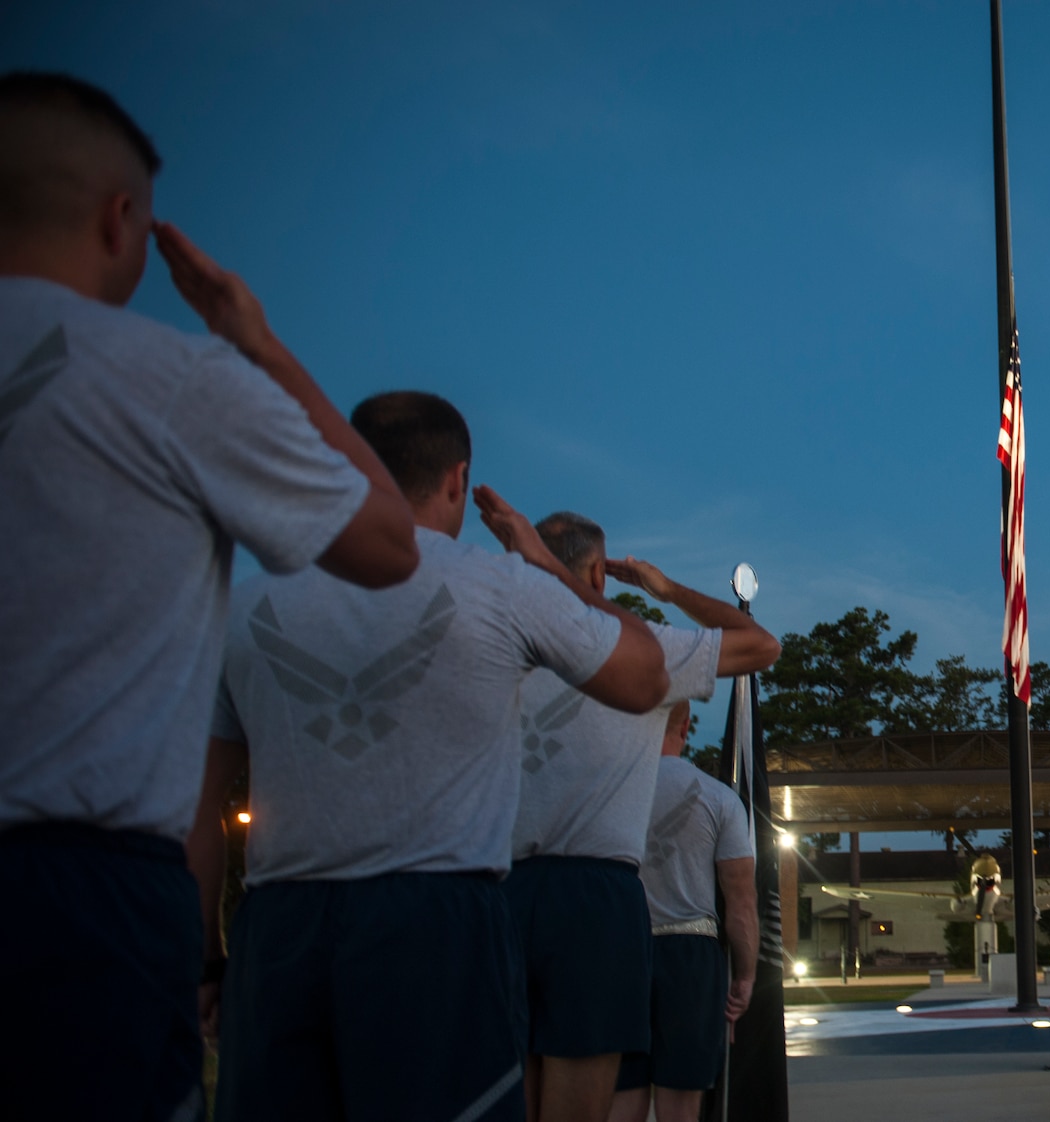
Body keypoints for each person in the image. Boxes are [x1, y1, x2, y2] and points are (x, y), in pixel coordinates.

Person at [0, 72, 418, 1120]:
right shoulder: (169, 381)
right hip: (72, 891)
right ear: (120, 220)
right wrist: (256, 342)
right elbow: (386, 542)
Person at [191, 391, 670, 1122]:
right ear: (458, 479)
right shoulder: (499, 587)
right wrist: (549, 566)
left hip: (280, 923)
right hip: (435, 921)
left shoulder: (247, 607)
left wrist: (208, 958)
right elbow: (646, 678)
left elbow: (196, 805)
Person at [509, 512, 779, 1122]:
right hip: (594, 892)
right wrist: (665, 591)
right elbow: (760, 645)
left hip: (501, 886)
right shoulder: (636, 649)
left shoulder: (495, 635)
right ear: (601, 575)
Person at [608, 701, 760, 1122]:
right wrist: (745, 977)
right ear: (686, 724)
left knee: (623, 1094)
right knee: (681, 1104)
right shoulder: (719, 799)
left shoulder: (607, 792)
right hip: (690, 957)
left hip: (620, 951)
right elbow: (741, 904)